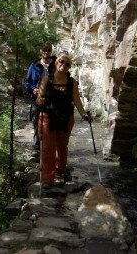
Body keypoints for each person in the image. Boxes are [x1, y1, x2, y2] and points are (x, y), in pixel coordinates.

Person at [36, 52, 92, 187]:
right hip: (47, 117)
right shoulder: (46, 79)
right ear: (56, 63)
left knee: (61, 147)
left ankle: (59, 172)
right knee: (48, 148)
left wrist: (84, 115)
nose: (64, 65)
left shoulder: (72, 82)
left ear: (69, 67)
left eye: (67, 64)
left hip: (66, 118)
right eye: (61, 61)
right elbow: (39, 98)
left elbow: (76, 100)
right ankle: (46, 179)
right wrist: (40, 100)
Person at [24, 41, 57, 151]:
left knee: (52, 122)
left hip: (52, 98)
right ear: (40, 51)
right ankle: (37, 146)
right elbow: (27, 82)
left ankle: (50, 145)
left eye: (48, 50)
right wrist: (33, 89)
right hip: (36, 98)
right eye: (44, 50)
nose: (46, 52)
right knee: (36, 120)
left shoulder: (57, 63)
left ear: (51, 51)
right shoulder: (34, 66)